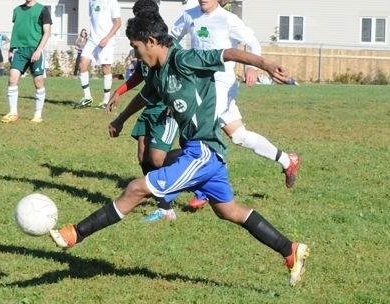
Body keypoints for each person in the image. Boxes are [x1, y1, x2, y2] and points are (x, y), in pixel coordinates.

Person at [50, 11, 309, 287]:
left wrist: (264, 63)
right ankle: (289, 249)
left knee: (137, 188)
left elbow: (228, 53)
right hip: (202, 153)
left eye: (136, 48)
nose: (136, 55)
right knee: (228, 210)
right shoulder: (160, 75)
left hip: (203, 151)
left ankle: (75, 233)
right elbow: (145, 96)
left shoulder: (184, 59)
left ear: (150, 41)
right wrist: (120, 119)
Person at [170, 0, 300, 210]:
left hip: (222, 83)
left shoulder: (228, 19)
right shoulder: (189, 15)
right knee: (239, 136)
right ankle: (287, 160)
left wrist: (253, 68)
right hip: (199, 84)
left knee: (203, 128)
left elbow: (253, 43)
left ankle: (203, 190)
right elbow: (170, 38)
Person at [106, 0, 179, 222]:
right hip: (150, 106)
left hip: (167, 109)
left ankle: (200, 165)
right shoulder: (143, 49)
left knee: (157, 160)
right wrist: (120, 91)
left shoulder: (168, 52)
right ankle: (165, 206)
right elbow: (140, 77)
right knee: (143, 155)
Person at [0, 0, 52, 124]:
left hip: (35, 49)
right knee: (12, 78)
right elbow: (16, 30)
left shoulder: (43, 9)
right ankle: (13, 113)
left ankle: (38, 114)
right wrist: (11, 49)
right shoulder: (17, 10)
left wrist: (39, 50)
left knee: (38, 82)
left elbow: (47, 32)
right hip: (19, 50)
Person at [73, 0, 121, 109]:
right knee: (82, 64)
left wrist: (107, 38)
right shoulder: (91, 1)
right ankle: (87, 97)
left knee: (106, 68)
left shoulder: (112, 2)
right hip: (92, 40)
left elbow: (118, 22)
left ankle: (105, 101)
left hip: (106, 40)